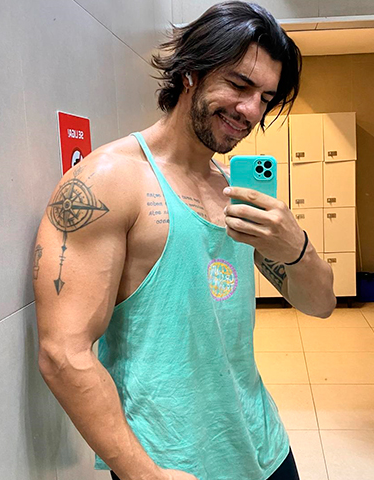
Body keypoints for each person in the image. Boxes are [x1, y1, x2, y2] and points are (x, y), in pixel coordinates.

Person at [33, 2, 336, 479]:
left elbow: (321, 304)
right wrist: (143, 473)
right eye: (239, 85)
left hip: (264, 446)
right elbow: (62, 353)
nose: (251, 110)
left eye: (265, 97)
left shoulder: (233, 191)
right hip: (170, 463)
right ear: (192, 71)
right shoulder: (109, 181)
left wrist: (296, 247)